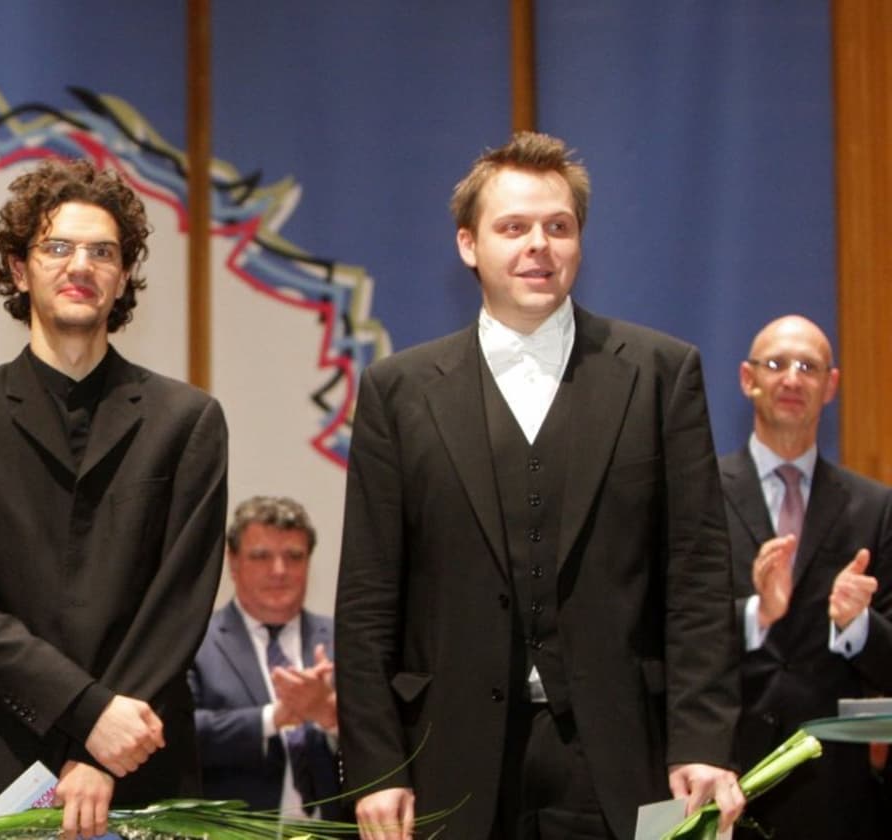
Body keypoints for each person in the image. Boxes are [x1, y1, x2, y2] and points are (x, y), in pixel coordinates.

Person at [334, 132, 744, 840]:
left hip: (620, 752)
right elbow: (368, 596)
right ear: (469, 245)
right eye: (513, 227)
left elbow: (698, 577)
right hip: (447, 757)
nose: (539, 245)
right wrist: (377, 768)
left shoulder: (659, 374)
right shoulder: (397, 391)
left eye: (559, 226)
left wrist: (702, 740)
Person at [0, 157, 229, 838]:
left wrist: (106, 744)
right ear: (20, 271)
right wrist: (89, 713)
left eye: (102, 252)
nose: (80, 265)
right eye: (57, 247)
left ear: (122, 278)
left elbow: (180, 600)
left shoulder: (187, 420)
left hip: (143, 753)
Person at [722, 315, 892, 839]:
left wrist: (857, 626)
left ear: (831, 385)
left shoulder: (874, 506)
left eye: (808, 367)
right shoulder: (698, 494)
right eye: (775, 365)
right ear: (748, 379)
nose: (792, 379)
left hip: (836, 796)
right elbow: (664, 633)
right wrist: (757, 614)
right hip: (725, 779)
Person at [190, 496, 342, 820]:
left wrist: (329, 714)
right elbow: (179, 735)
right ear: (232, 562)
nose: (279, 571)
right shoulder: (196, 642)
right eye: (261, 556)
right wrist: (275, 717)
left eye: (294, 556)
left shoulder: (344, 641)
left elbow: (387, 739)